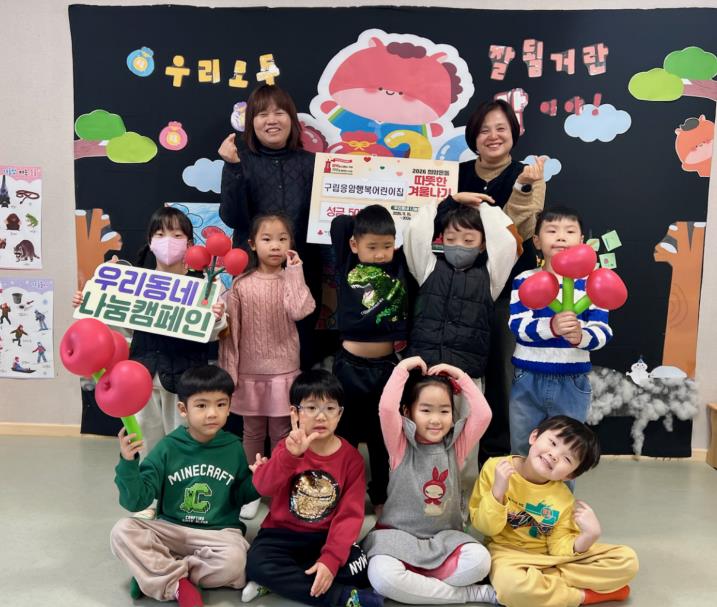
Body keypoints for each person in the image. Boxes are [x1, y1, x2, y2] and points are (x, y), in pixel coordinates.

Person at [435, 99, 547, 467]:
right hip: (455, 287)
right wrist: (452, 201)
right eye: (484, 130)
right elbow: (428, 225)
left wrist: (523, 188)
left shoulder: (527, 175)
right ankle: (439, 459)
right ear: (473, 136)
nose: (493, 136)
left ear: (513, 133)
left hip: (507, 288)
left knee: (500, 373)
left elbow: (520, 233)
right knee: (444, 372)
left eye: (501, 128)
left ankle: (494, 463)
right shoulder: (454, 175)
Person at [73, 207, 227, 457]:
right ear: (150, 242)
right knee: (148, 448)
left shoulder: (203, 285)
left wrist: (217, 317)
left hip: (184, 379)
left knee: (184, 447)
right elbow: (121, 330)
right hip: (141, 378)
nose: (168, 241)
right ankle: (149, 483)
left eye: (177, 235)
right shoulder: (134, 282)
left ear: (189, 244)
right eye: (160, 234)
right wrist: (91, 301)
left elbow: (213, 334)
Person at [109, 365, 261, 607]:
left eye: (221, 404)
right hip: (171, 530)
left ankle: (157, 575)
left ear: (229, 407)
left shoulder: (233, 447)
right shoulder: (168, 447)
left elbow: (240, 496)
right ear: (183, 409)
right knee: (121, 531)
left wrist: (259, 479)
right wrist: (128, 464)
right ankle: (175, 582)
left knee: (236, 562)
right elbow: (136, 501)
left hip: (217, 533)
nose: (212, 413)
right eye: (201, 405)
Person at [363, 357, 497, 605]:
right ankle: (467, 594)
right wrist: (402, 369)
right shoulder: (400, 445)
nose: (436, 419)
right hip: (397, 537)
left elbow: (483, 414)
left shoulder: (456, 447)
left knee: (480, 562)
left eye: (444, 411)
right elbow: (386, 409)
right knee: (382, 577)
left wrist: (461, 377)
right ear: (408, 412)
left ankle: (417, 585)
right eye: (426, 410)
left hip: (445, 539)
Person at [243, 369, 381, 607]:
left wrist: (330, 559)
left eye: (330, 408)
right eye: (311, 407)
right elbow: (263, 487)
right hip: (281, 535)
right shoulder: (287, 447)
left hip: (324, 537)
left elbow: (349, 516)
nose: (321, 416)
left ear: (340, 414)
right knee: (256, 563)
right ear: (295, 412)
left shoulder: (351, 458)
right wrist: (290, 456)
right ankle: (342, 597)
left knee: (359, 567)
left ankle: (282, 581)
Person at [469, 416, 638, 607]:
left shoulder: (563, 498)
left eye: (567, 458)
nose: (554, 455)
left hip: (550, 557)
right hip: (507, 554)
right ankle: (582, 596)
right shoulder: (496, 468)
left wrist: (589, 535)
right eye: (553, 443)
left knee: (627, 561)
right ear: (534, 437)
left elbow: (559, 547)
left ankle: (542, 582)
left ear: (569, 475)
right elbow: (486, 528)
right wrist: (498, 492)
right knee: (513, 588)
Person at [218, 212, 315, 520]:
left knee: (282, 431)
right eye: (267, 239)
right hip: (249, 370)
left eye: (282, 239)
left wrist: (295, 271)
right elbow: (230, 332)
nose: (275, 246)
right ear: (252, 244)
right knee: (252, 432)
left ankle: (279, 486)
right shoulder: (241, 284)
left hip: (284, 369)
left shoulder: (291, 279)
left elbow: (301, 310)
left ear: (291, 243)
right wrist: (230, 372)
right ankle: (253, 487)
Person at [218, 84, 322, 370]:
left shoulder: (313, 164)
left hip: (301, 271)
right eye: (262, 114)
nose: (271, 120)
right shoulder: (240, 161)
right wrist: (233, 167)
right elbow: (232, 217)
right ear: (251, 122)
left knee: (302, 349)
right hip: (254, 272)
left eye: (279, 113)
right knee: (255, 346)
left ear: (292, 119)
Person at [508, 206, 612, 460]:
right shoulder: (524, 279)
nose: (561, 237)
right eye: (552, 230)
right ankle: (519, 488)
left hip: (572, 381)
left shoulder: (593, 283)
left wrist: (582, 336)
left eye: (569, 231)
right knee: (522, 447)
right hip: (528, 377)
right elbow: (517, 325)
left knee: (567, 452)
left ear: (582, 241)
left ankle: (561, 489)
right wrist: (551, 327)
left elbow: (603, 330)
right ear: (537, 241)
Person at [330, 205, 411, 512]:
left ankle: (380, 497)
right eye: (372, 246)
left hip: (387, 367)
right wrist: (364, 221)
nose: (379, 254)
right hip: (348, 366)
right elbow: (340, 224)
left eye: (386, 246)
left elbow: (416, 237)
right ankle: (344, 494)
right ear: (355, 244)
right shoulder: (347, 262)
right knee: (345, 434)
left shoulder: (399, 264)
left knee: (382, 436)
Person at [404, 196, 520, 389]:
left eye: (468, 240)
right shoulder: (427, 268)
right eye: (450, 239)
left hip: (466, 375)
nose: (459, 245)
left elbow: (507, 241)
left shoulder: (491, 277)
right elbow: (415, 231)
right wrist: (450, 201)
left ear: (483, 245)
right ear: (441, 239)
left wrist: (482, 207)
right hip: (424, 370)